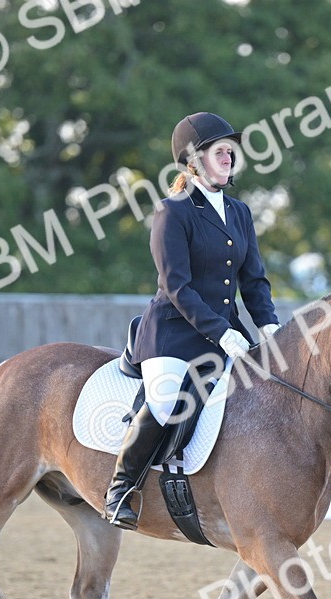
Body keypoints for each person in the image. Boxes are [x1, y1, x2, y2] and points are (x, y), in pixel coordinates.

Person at [104, 112, 280, 529]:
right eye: (219, 150)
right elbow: (178, 286)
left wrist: (269, 326)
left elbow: (253, 280)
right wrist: (224, 333)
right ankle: (121, 487)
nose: (229, 155)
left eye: (231, 150)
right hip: (174, 334)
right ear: (193, 160)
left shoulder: (240, 213)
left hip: (225, 335)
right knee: (167, 400)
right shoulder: (173, 211)